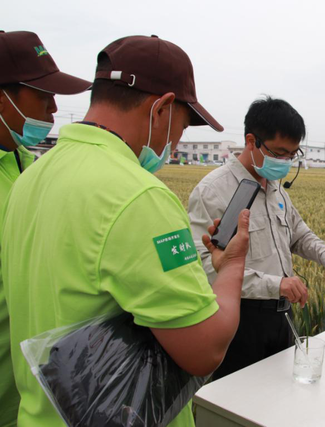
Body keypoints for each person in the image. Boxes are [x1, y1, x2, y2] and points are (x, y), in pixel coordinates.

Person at [1, 35, 248, 427]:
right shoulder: (139, 196)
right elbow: (206, 350)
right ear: (163, 108)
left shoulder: (31, 177)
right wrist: (232, 266)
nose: (176, 142)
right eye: (182, 127)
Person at [189, 96, 325, 379]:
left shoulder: (275, 187)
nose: (285, 162)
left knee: (280, 398)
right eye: (279, 153)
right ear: (251, 141)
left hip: (282, 316)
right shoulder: (214, 191)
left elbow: (299, 234)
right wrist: (275, 284)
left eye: (292, 155)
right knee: (239, 407)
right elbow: (205, 267)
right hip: (240, 320)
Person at [0, 30, 91, 427]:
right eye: (42, 96)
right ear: (2, 98)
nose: (54, 111)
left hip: (28, 394)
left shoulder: (28, 165)